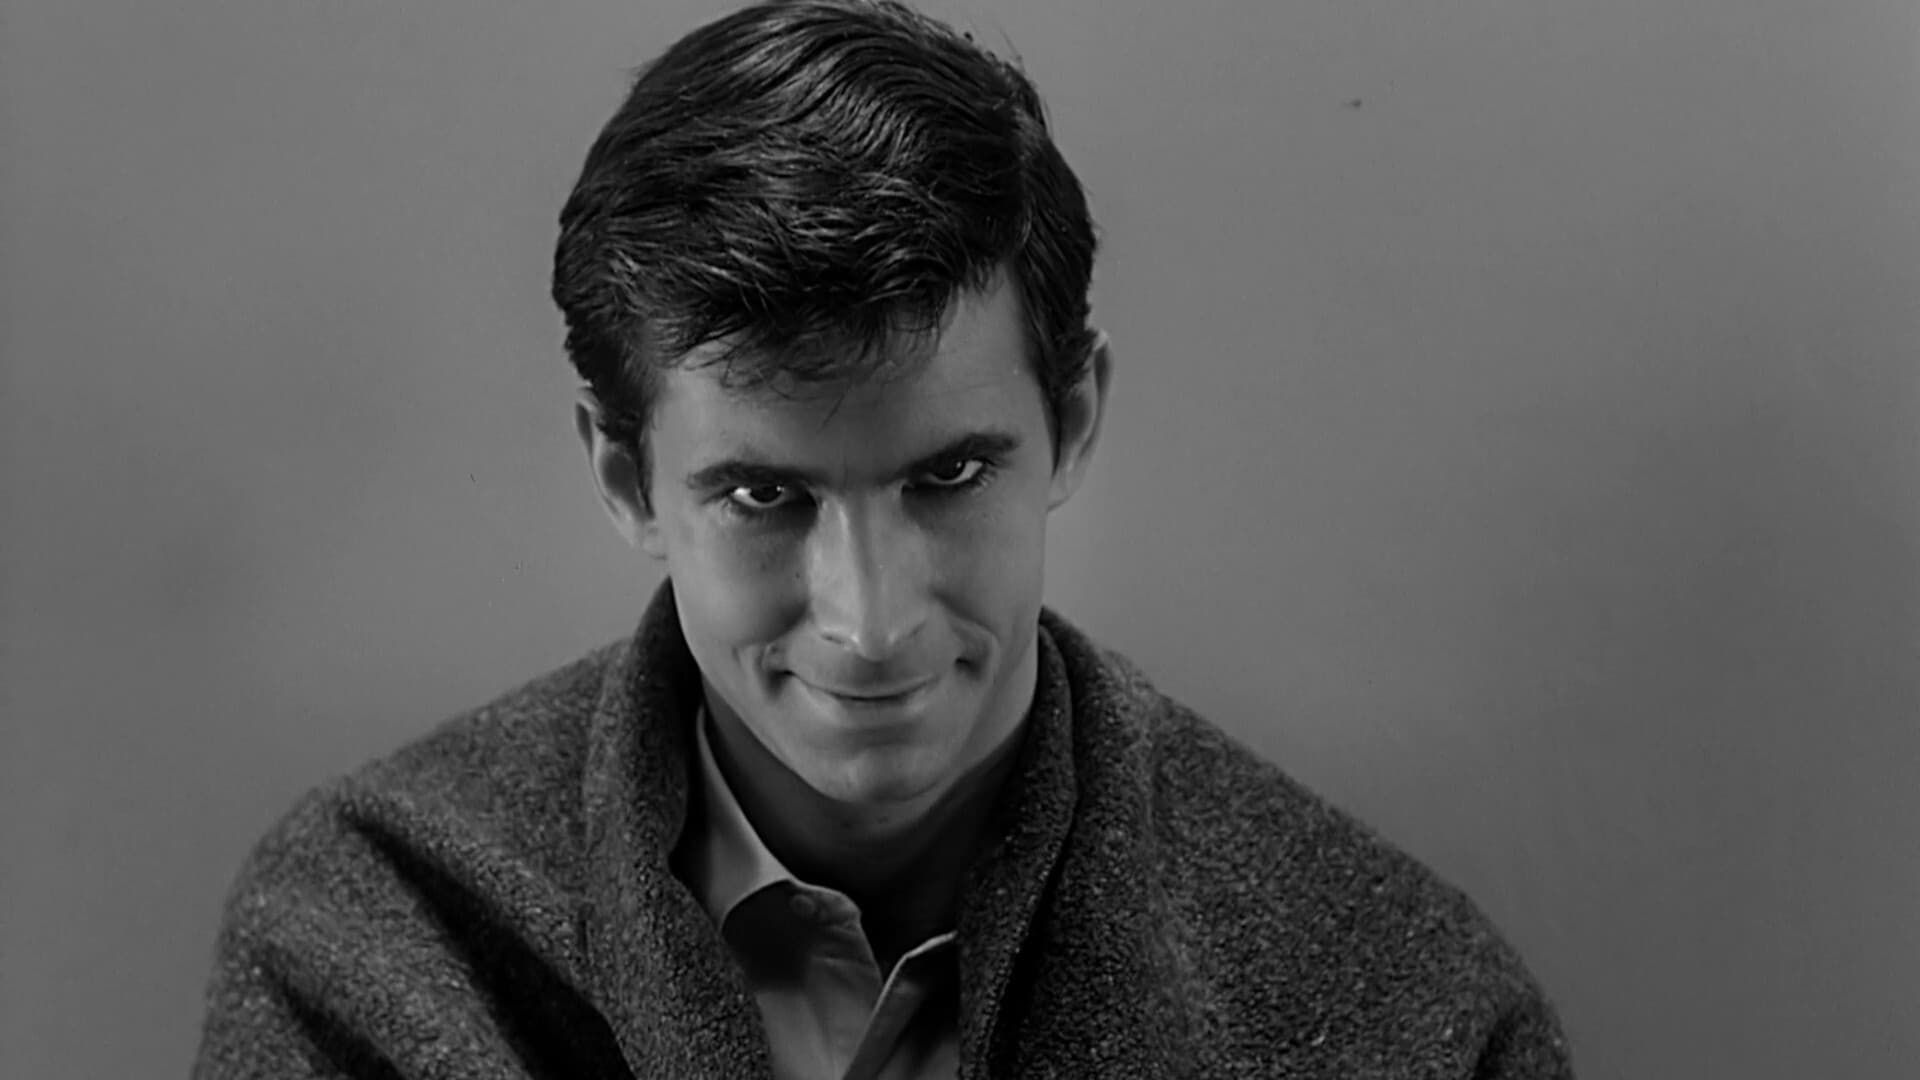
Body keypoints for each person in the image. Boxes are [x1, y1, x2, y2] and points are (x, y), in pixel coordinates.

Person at [192, 1, 1575, 1076]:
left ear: (1073, 420)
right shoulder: (372, 942)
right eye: (764, 498)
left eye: (949, 475)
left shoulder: (1407, 1012)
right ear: (624, 477)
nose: (870, 622)